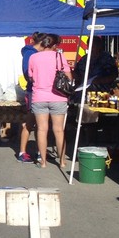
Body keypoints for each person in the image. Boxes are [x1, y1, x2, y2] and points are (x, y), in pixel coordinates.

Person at [26, 34, 72, 170]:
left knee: (41, 130)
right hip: (58, 97)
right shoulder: (59, 56)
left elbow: (31, 77)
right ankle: (62, 161)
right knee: (58, 130)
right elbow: (69, 76)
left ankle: (43, 162)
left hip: (39, 97)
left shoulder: (33, 57)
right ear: (54, 45)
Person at [16, 33, 46, 163]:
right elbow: (28, 73)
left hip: (39, 91)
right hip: (33, 92)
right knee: (30, 122)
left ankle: (40, 152)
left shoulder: (33, 53)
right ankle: (23, 152)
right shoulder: (30, 54)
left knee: (41, 124)